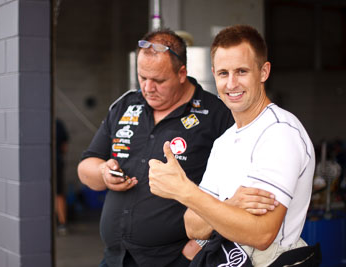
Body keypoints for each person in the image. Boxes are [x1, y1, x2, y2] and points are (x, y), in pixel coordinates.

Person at [149, 25, 318, 266]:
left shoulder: (280, 132)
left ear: (263, 71)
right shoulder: (224, 141)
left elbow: (261, 234)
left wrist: (184, 191)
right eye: (223, 73)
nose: (231, 84)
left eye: (241, 71)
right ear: (213, 74)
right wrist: (230, 203)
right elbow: (192, 226)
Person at [77, 28, 240, 267]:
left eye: (159, 80)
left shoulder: (216, 115)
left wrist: (201, 245)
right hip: (116, 258)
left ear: (182, 73)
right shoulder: (125, 106)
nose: (148, 88)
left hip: (175, 260)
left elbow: (238, 190)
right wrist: (103, 172)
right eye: (142, 77)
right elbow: (85, 168)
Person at [56, 118, 69, 235]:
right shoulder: (58, 123)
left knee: (59, 194)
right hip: (56, 162)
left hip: (55, 163)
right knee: (59, 194)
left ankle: (62, 223)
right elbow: (64, 147)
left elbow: (64, 146)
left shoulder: (57, 124)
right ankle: (62, 223)